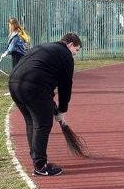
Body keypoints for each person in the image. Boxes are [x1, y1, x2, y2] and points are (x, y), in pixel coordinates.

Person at [8, 33, 82, 176]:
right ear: (71, 45)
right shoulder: (66, 55)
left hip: (14, 84)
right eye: (76, 50)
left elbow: (43, 74)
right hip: (32, 86)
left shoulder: (47, 47)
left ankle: (36, 159)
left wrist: (52, 104)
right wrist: (62, 111)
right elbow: (65, 86)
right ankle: (41, 166)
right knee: (43, 124)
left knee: (31, 122)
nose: (75, 54)